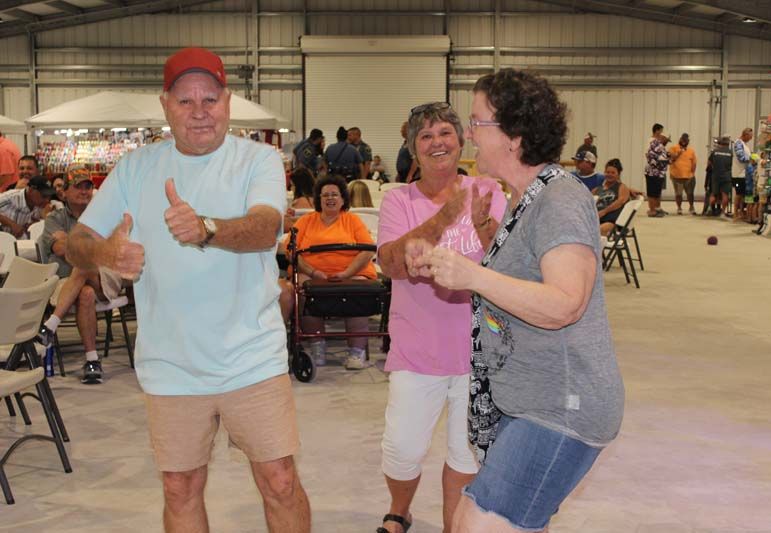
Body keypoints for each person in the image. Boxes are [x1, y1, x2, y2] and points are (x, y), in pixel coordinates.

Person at [64, 47, 310, 533]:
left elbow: (264, 228)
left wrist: (207, 228)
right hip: (170, 363)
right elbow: (74, 244)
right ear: (165, 105)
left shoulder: (258, 159)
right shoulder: (135, 169)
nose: (200, 111)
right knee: (179, 487)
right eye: (185, 100)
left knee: (279, 480)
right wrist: (105, 255)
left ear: (228, 101)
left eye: (210, 99)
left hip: (251, 357)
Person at [409, 69, 624, 533]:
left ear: (513, 135)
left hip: (560, 407)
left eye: (477, 122)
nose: (469, 134)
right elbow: (512, 291)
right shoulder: (525, 198)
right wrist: (454, 272)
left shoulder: (560, 198)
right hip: (529, 399)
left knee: (477, 523)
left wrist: (474, 275)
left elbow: (567, 302)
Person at [375, 101, 506, 533]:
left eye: (444, 133)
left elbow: (505, 265)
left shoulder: (490, 189)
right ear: (413, 148)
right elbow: (391, 263)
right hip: (416, 349)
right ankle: (401, 508)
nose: (437, 143)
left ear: (461, 139)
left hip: (476, 350)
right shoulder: (399, 200)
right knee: (402, 449)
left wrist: (484, 225)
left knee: (464, 452)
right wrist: (446, 216)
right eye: (425, 136)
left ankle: (454, 525)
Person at [36, 168, 124, 384]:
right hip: (68, 283)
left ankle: (50, 325)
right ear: (63, 192)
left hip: (103, 278)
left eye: (88, 187)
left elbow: (109, 250)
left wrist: (74, 244)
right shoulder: (55, 219)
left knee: (83, 266)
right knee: (84, 292)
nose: (85, 191)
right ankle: (92, 361)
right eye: (78, 186)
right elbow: (59, 249)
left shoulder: (104, 216)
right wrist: (89, 247)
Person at [291, 174, 377, 370]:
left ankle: (356, 353)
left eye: (334, 194)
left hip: (350, 272)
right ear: (318, 199)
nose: (330, 198)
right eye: (325, 195)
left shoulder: (352, 220)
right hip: (314, 274)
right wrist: (313, 272)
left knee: (358, 289)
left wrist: (347, 273)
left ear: (343, 198)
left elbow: (367, 250)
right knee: (302, 287)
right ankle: (317, 346)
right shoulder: (306, 221)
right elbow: (292, 251)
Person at [593, 158, 632, 236]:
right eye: (607, 172)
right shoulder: (598, 188)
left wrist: (604, 211)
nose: (609, 174)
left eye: (613, 172)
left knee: (597, 231)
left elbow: (619, 202)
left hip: (612, 221)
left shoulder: (622, 187)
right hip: (596, 219)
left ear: (618, 174)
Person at [668, 133, 698, 215]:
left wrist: (693, 172)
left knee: (690, 193)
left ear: (688, 141)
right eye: (683, 140)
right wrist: (679, 152)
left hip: (689, 177)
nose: (684, 142)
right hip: (676, 176)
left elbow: (694, 162)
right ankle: (679, 208)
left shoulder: (691, 151)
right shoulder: (673, 148)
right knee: (678, 194)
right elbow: (670, 158)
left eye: (686, 140)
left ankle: (691, 207)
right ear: (680, 139)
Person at [645, 132, 670, 217]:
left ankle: (657, 208)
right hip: (653, 173)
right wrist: (665, 161)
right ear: (662, 138)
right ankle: (652, 210)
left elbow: (663, 156)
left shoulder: (661, 146)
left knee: (657, 192)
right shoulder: (655, 144)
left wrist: (668, 157)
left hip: (659, 173)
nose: (667, 142)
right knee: (652, 192)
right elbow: (650, 156)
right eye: (666, 140)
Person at [708, 135, 733, 217]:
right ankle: (722, 212)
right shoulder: (730, 153)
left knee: (713, 193)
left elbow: (709, 163)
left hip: (716, 175)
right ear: (728, 143)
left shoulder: (715, 151)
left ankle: (710, 208)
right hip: (726, 175)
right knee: (725, 194)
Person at [732, 128, 754, 221]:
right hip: (738, 175)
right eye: (750, 137)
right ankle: (735, 213)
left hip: (744, 174)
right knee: (739, 194)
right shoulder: (738, 143)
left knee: (743, 195)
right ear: (745, 135)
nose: (750, 139)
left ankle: (741, 212)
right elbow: (741, 157)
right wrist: (751, 159)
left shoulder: (745, 144)